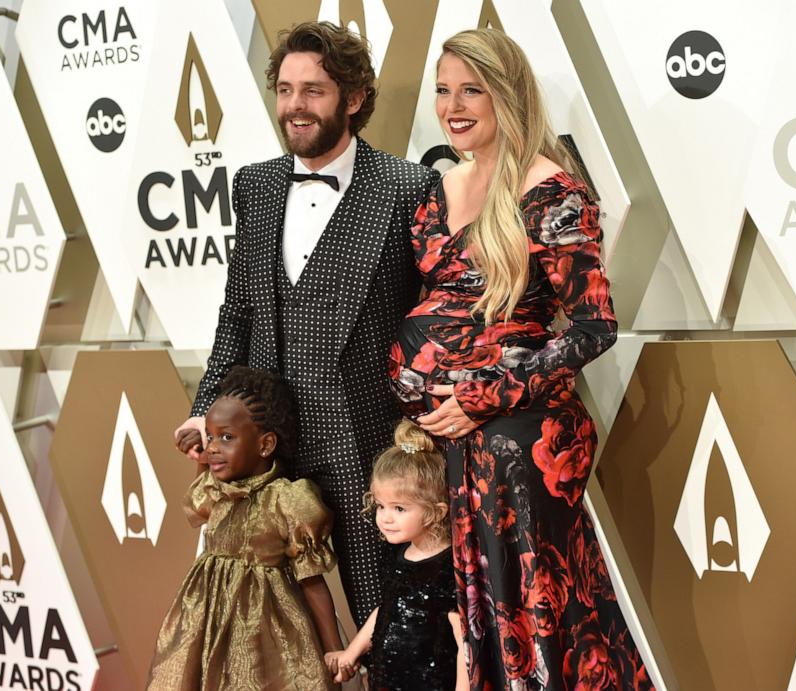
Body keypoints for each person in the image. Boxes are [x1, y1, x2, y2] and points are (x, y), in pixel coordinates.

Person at [388, 29, 655, 690]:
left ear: (507, 94)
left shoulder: (549, 189)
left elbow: (594, 327)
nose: (453, 104)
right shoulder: (438, 186)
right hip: (454, 445)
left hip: (521, 444)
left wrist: (483, 394)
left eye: (471, 89)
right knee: (484, 621)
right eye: (444, 90)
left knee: (539, 620)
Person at [173, 21, 441, 626]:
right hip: (267, 452)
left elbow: (431, 322)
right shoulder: (256, 184)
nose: (295, 105)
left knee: (388, 622)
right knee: (270, 628)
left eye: (313, 90)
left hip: (366, 444)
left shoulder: (405, 188)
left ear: (353, 98)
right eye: (286, 89)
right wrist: (207, 407)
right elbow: (237, 311)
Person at [149, 366, 342, 690]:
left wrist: (335, 649)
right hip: (206, 619)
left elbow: (312, 580)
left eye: (226, 438)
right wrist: (200, 451)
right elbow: (199, 502)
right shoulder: (217, 488)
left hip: (265, 627)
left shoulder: (287, 499)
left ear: (265, 444)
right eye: (209, 437)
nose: (212, 448)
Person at [324, 419, 466, 690]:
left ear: (436, 512)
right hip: (389, 679)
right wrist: (351, 653)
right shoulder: (396, 554)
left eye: (399, 509)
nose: (385, 519)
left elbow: (464, 640)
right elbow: (386, 611)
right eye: (380, 506)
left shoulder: (449, 566)